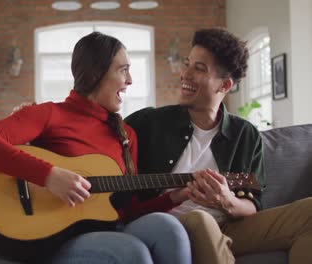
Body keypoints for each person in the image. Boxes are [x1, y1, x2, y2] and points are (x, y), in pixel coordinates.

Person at [0, 32, 191, 264]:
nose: (130, 80)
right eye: (123, 70)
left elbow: (126, 212)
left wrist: (176, 196)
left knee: (169, 229)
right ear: (96, 73)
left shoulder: (126, 135)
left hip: (108, 229)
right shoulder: (49, 114)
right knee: (131, 252)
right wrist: (49, 175)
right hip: (54, 238)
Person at [121, 27, 312, 264]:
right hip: (174, 229)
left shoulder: (245, 135)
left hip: (230, 226)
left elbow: (252, 203)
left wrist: (225, 200)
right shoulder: (149, 122)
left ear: (225, 85)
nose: (185, 74)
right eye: (187, 64)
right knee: (200, 219)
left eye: (199, 68)